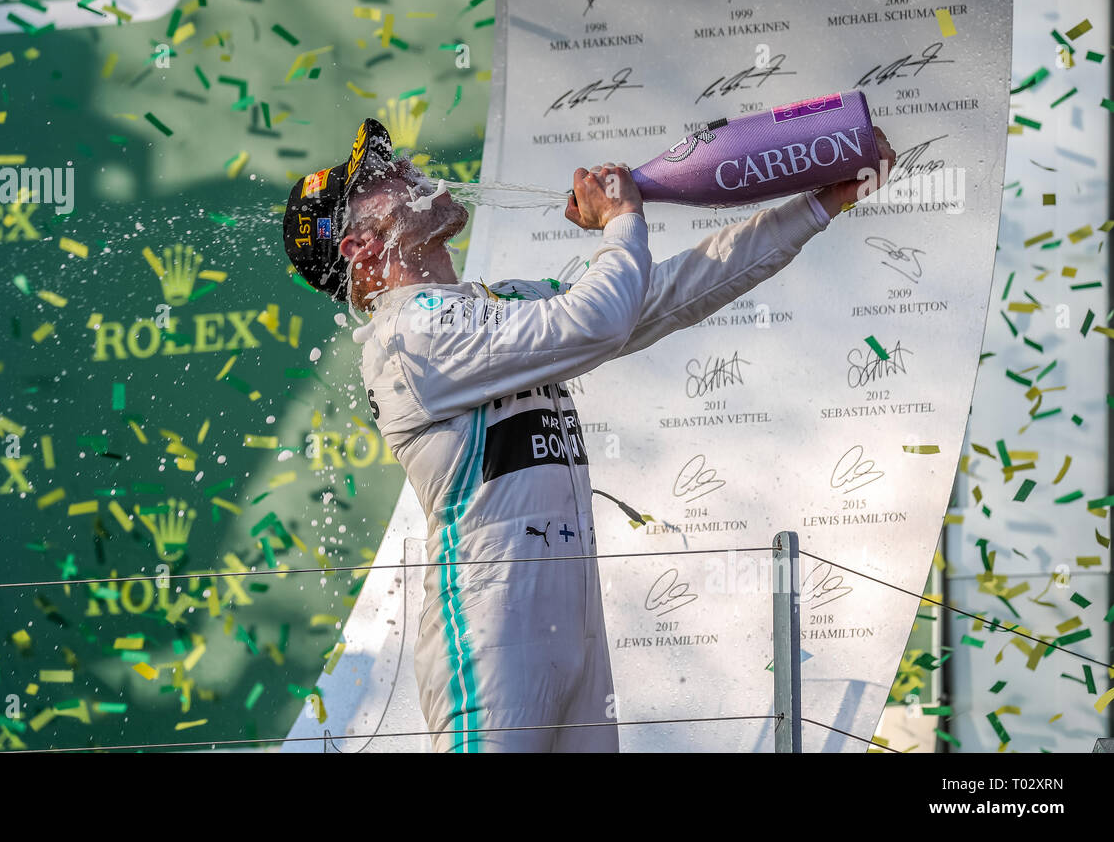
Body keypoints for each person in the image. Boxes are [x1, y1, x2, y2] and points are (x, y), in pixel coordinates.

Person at [281, 117, 897, 752]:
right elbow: (598, 320)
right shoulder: (408, 335)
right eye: (378, 180)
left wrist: (821, 204)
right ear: (358, 246)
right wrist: (621, 221)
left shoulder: (498, 301)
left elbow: (673, 292)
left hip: (571, 630)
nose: (406, 168)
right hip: (490, 634)